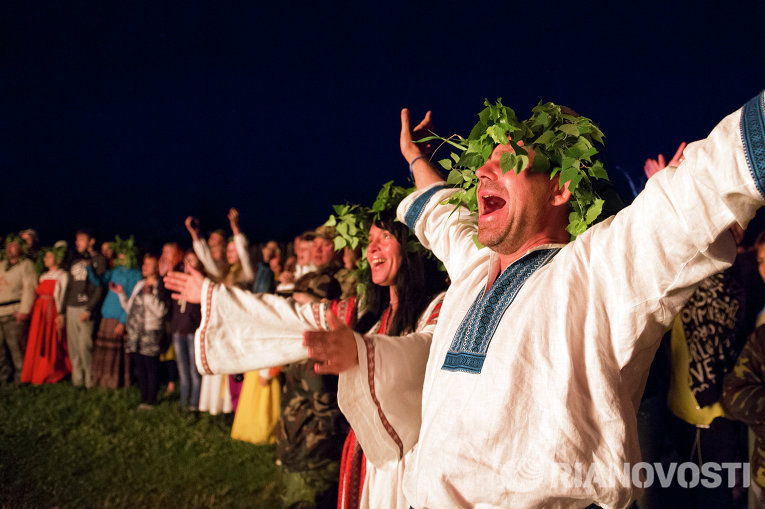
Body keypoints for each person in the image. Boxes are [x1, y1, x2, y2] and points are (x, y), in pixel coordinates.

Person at [298, 93, 765, 507]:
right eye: (484, 164)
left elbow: (704, 183)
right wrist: (416, 157)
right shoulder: (472, 270)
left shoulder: (595, 273)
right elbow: (441, 214)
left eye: (507, 162)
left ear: (561, 187)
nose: (481, 171)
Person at [165, 202, 446, 508]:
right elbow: (292, 316)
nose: (372, 248)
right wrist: (214, 295)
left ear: (414, 247)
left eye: (386, 238)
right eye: (369, 240)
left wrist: (362, 351)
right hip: (369, 459)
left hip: (410, 465)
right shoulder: (368, 311)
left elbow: (421, 350)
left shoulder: (438, 308)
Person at [88, 236, 142, 389]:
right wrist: (90, 269)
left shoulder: (135, 274)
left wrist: (123, 321)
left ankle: (117, 383)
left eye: (124, 253)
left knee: (116, 356)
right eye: (120, 253)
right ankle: (101, 382)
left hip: (119, 318)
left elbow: (132, 299)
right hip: (107, 316)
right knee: (104, 353)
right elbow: (100, 281)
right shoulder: (116, 271)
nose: (121, 256)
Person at [116, 253, 167, 409]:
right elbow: (130, 308)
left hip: (150, 333)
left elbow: (160, 312)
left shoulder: (160, 286)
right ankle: (144, 397)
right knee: (139, 366)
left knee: (150, 366)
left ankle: (151, 399)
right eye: (143, 264)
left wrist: (148, 296)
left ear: (156, 267)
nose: (144, 267)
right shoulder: (140, 284)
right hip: (135, 333)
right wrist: (121, 294)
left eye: (148, 264)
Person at [62, 230, 107, 388]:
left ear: (91, 241)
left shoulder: (98, 259)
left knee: (85, 345)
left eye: (81, 240)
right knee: (74, 346)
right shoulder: (74, 260)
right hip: (71, 306)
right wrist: (62, 311)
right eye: (77, 240)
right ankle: (77, 379)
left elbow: (99, 287)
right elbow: (68, 286)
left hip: (85, 307)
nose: (78, 243)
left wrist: (89, 309)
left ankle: (90, 379)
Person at [21, 244, 70, 384]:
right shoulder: (43, 276)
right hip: (40, 312)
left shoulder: (62, 275)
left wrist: (61, 314)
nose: (45, 260)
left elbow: (61, 296)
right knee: (38, 339)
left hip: (51, 310)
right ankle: (36, 371)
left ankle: (53, 371)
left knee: (51, 339)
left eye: (48, 257)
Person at [0, 235, 38, 383]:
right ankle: (4, 377)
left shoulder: (26, 265)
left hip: (14, 312)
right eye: (8, 246)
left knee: (17, 349)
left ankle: (22, 377)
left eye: (14, 245)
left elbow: (30, 288)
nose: (10, 248)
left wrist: (24, 310)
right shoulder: (2, 265)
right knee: (1, 351)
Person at [168, 250, 203, 410]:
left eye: (192, 261)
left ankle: (194, 403)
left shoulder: (200, 284)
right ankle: (183, 402)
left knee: (194, 370)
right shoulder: (178, 282)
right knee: (182, 370)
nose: (188, 264)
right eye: (186, 260)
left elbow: (197, 311)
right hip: (178, 331)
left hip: (192, 332)